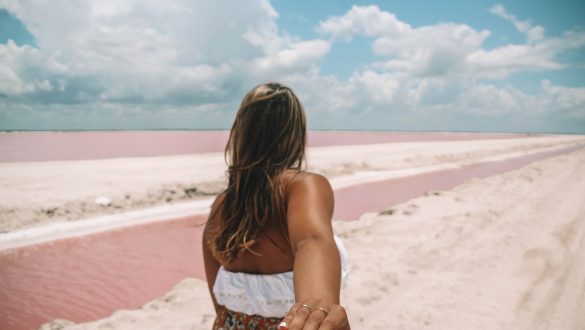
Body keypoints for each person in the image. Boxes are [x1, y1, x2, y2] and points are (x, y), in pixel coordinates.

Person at [202, 82, 350, 330]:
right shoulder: (303, 186)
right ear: (296, 133)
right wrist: (317, 311)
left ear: (240, 132)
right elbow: (312, 241)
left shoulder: (221, 206)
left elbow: (218, 303)